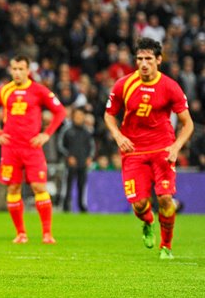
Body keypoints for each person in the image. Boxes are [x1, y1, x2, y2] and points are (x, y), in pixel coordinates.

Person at [104, 38, 194, 260]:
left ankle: (166, 247)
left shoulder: (170, 86)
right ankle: (147, 223)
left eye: (148, 59)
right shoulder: (123, 84)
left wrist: (176, 147)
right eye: (140, 59)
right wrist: (118, 136)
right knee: (139, 204)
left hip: (162, 149)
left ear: (159, 60)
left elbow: (188, 123)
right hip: (133, 150)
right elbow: (109, 115)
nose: (143, 64)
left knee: (164, 198)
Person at [0, 55, 66, 244]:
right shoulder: (4, 90)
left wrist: (47, 134)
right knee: (13, 187)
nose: (17, 72)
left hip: (32, 147)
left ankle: (47, 233)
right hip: (10, 148)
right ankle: (21, 233)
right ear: (10, 70)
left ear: (28, 70)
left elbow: (60, 111)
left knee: (38, 186)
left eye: (21, 69)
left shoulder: (39, 90)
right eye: (14, 69)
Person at [57, 107, 95, 212]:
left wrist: (89, 157)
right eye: (77, 115)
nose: (79, 117)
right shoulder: (67, 130)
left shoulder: (87, 132)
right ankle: (65, 206)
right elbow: (60, 145)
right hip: (70, 165)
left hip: (83, 164)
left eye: (81, 115)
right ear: (73, 116)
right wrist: (68, 156)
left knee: (82, 186)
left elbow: (91, 146)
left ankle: (82, 206)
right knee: (67, 186)